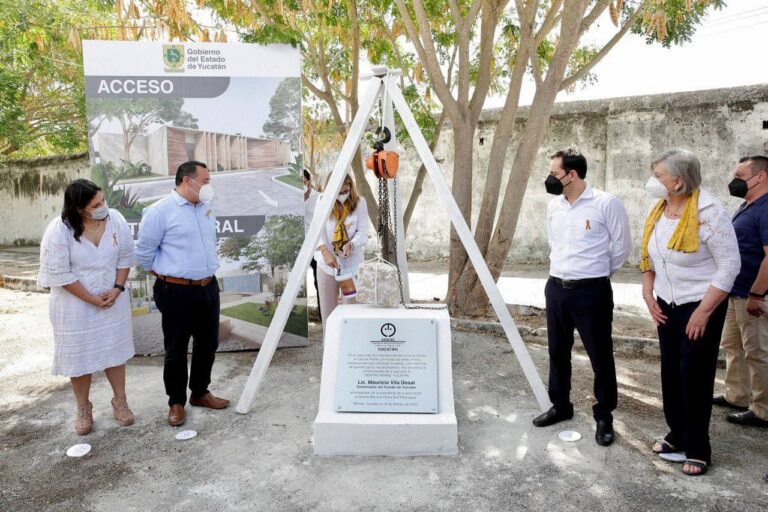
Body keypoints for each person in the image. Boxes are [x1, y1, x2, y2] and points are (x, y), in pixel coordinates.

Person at [641, 149, 740, 476]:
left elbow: (729, 266)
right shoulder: (660, 207)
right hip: (666, 302)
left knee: (694, 375)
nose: (653, 182)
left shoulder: (710, 213)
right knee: (670, 372)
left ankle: (698, 447)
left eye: (659, 176)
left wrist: (703, 312)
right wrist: (647, 289)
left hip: (701, 304)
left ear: (678, 181)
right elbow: (650, 254)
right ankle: (677, 433)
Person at [533, 149, 632, 448]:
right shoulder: (554, 206)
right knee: (557, 351)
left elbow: (622, 247)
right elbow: (554, 243)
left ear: (571, 175)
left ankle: (604, 415)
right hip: (557, 288)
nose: (549, 178)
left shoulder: (606, 203)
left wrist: (597, 274)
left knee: (600, 355)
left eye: (554, 173)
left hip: (592, 291)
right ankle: (561, 405)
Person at [38, 179, 136, 435]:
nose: (103, 206)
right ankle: (83, 407)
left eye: (103, 200)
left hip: (112, 299)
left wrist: (117, 288)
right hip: (74, 306)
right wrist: (92, 299)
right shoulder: (59, 230)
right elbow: (59, 273)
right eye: (97, 204)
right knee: (79, 357)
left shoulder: (115, 219)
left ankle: (120, 400)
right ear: (80, 208)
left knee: (114, 349)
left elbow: (125, 256)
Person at [136, 161, 229, 427]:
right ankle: (176, 402)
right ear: (187, 181)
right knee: (176, 348)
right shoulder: (159, 211)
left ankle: (199, 392)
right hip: (175, 290)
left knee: (207, 343)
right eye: (206, 180)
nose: (209, 185)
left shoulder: (206, 207)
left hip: (208, 287)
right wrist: (169, 276)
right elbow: (144, 255)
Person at [713, 155, 768, 428]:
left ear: (760, 177)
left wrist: (757, 294)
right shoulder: (748, 206)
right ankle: (737, 395)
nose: (734, 181)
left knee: (757, 352)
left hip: (752, 295)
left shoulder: (766, 208)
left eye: (740, 175)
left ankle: (763, 410)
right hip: (736, 292)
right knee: (733, 346)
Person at [314, 173, 369, 325]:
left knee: (352, 312)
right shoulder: (322, 201)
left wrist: (352, 244)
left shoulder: (360, 203)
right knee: (328, 314)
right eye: (339, 193)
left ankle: (351, 347)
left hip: (351, 267)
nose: (342, 196)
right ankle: (329, 347)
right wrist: (325, 252)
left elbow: (363, 232)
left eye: (345, 192)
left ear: (350, 188)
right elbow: (315, 231)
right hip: (326, 265)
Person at [304, 169, 322, 321]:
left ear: (309, 181)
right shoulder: (291, 198)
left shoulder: (318, 198)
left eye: (303, 182)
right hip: (298, 247)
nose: (301, 186)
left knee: (319, 280)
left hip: (316, 246)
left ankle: (323, 314)